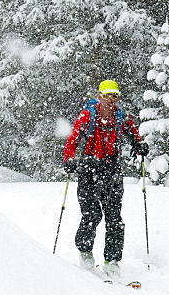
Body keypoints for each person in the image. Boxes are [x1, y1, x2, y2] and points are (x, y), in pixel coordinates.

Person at [62, 79, 149, 277]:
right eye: (107, 95)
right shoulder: (87, 116)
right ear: (99, 96)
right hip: (88, 171)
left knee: (114, 218)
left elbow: (133, 137)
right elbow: (72, 141)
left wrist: (139, 146)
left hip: (112, 171)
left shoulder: (121, 118)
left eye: (115, 96)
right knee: (92, 215)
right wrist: (68, 159)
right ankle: (85, 251)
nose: (111, 100)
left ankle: (112, 260)